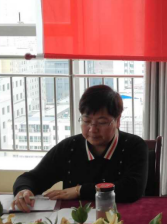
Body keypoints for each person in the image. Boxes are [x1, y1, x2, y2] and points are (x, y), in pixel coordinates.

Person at [12, 85, 148, 212]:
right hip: (74, 222)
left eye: (101, 122)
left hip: (120, 219)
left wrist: (80, 191)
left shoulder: (134, 146)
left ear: (117, 121)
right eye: (86, 121)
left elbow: (132, 189)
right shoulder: (69, 148)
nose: (92, 129)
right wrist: (24, 190)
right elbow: (32, 178)